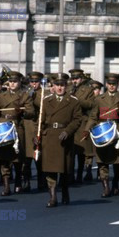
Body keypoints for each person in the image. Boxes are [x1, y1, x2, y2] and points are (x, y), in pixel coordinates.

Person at [0, 71, 34, 196]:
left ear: (19, 83)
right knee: (3, 158)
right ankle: (6, 185)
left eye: (15, 82)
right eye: (11, 82)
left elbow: (31, 112)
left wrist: (22, 112)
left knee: (17, 159)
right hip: (3, 127)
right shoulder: (1, 96)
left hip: (17, 127)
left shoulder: (25, 96)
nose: (12, 84)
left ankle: (18, 181)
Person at [84, 73, 119, 197]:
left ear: (117, 85)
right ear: (106, 84)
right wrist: (87, 129)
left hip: (117, 133)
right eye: (109, 84)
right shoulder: (99, 99)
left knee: (118, 162)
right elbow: (93, 116)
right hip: (103, 133)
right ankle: (106, 187)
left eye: (114, 84)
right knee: (102, 161)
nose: (111, 86)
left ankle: (115, 183)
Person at [40, 73, 82, 207]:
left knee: (64, 169)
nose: (59, 88)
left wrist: (68, 131)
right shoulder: (46, 100)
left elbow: (77, 119)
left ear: (66, 86)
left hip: (64, 137)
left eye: (62, 85)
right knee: (50, 169)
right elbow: (40, 120)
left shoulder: (73, 101)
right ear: (53, 86)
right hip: (50, 137)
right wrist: (38, 136)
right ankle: (53, 197)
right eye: (57, 85)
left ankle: (65, 191)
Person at [68, 69, 94, 184]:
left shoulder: (88, 90)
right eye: (73, 78)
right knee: (70, 151)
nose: (74, 81)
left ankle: (79, 174)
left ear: (81, 79)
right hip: (69, 122)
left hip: (82, 121)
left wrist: (77, 100)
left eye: (77, 78)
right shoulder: (68, 89)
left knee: (81, 151)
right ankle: (70, 174)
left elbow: (91, 104)